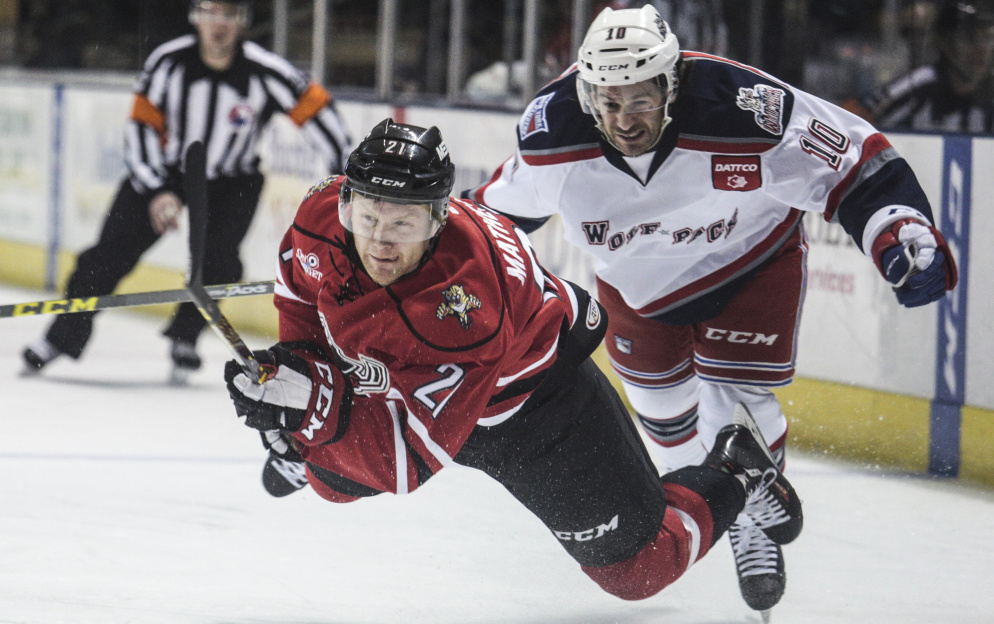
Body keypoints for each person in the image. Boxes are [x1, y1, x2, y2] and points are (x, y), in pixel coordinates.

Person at [464, 3, 958, 615]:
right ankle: (737, 491)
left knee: (734, 402)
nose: (624, 120)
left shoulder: (744, 105)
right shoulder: (556, 128)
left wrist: (895, 225)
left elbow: (852, 161)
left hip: (749, 264)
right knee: (665, 424)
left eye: (641, 99)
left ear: (672, 83)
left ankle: (749, 519)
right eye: (609, 102)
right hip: (638, 289)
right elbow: (492, 216)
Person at [222, 118, 803, 612]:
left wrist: (307, 412)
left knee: (639, 572)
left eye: (403, 225)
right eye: (369, 217)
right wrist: (293, 369)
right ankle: (314, 456)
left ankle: (736, 469)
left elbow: (405, 463)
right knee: (331, 480)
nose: (378, 243)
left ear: (437, 218)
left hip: (534, 408)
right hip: (426, 380)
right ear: (345, 200)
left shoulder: (462, 306)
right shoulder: (323, 214)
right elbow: (298, 294)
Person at [21, 0, 352, 382]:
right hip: (166, 174)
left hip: (232, 182)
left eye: (229, 15)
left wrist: (349, 179)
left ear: (241, 21)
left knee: (220, 264)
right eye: (211, 12)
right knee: (106, 257)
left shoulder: (267, 71)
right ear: (196, 17)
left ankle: (186, 338)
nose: (219, 24)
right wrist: (157, 189)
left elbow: (320, 115)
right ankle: (61, 337)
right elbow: (141, 128)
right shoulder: (168, 62)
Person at [857, 0, 994, 132]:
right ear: (944, 42)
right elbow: (850, 120)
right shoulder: (915, 87)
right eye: (970, 39)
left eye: (988, 38)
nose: (982, 50)